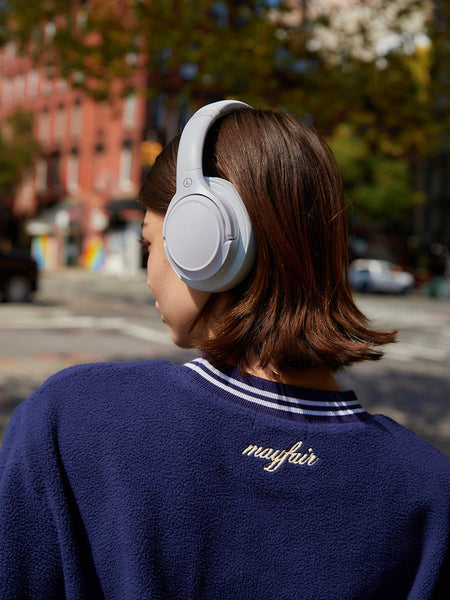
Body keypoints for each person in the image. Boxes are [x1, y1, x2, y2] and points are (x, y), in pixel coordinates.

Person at [0, 101, 449, 600]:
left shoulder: (72, 419)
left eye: (152, 243)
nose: (149, 269)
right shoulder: (428, 492)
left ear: (203, 241)